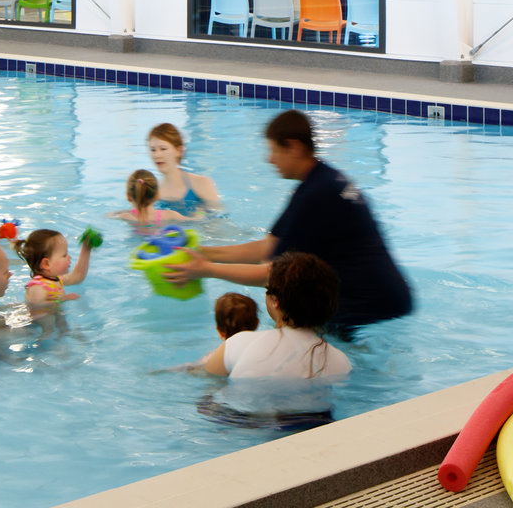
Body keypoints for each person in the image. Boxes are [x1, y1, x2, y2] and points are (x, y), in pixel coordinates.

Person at [169, 111, 413, 327]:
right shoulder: (319, 181)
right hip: (386, 299)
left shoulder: (317, 195)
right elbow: (269, 246)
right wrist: (204, 252)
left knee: (283, 304)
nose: (270, 159)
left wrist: (206, 270)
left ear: (294, 147)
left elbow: (273, 276)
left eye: (274, 150)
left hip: (371, 307)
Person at [192, 253, 352, 381]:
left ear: (275, 301)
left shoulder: (239, 344)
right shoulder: (341, 363)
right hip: (316, 419)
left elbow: (203, 378)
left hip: (244, 418)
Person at [145, 122, 223, 216]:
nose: (157, 155)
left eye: (163, 149)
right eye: (153, 150)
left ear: (179, 151)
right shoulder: (151, 194)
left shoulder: (202, 184)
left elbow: (219, 218)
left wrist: (201, 215)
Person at [21, 227, 95, 311]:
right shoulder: (38, 287)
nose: (69, 257)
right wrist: (64, 299)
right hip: (41, 321)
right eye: (64, 255)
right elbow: (36, 306)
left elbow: (77, 277)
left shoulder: (57, 279)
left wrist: (86, 248)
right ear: (46, 264)